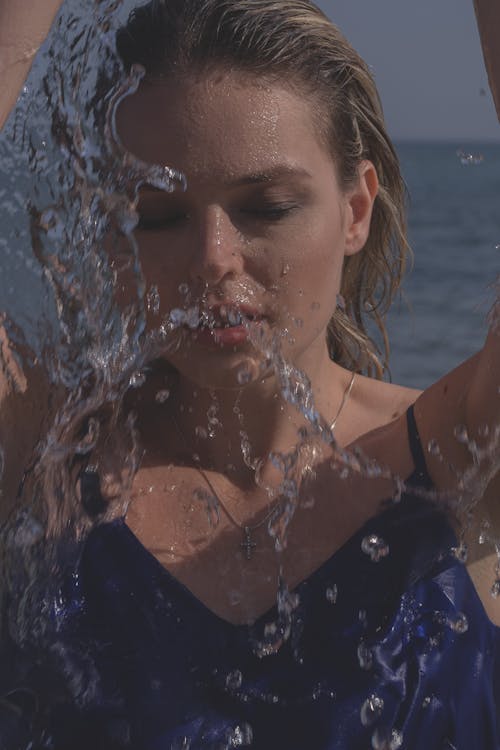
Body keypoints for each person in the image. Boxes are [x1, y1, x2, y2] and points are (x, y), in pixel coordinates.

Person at [0, 0, 499, 747]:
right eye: (158, 215)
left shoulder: (461, 462)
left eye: (265, 207)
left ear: (355, 208)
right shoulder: (39, 457)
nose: (212, 259)